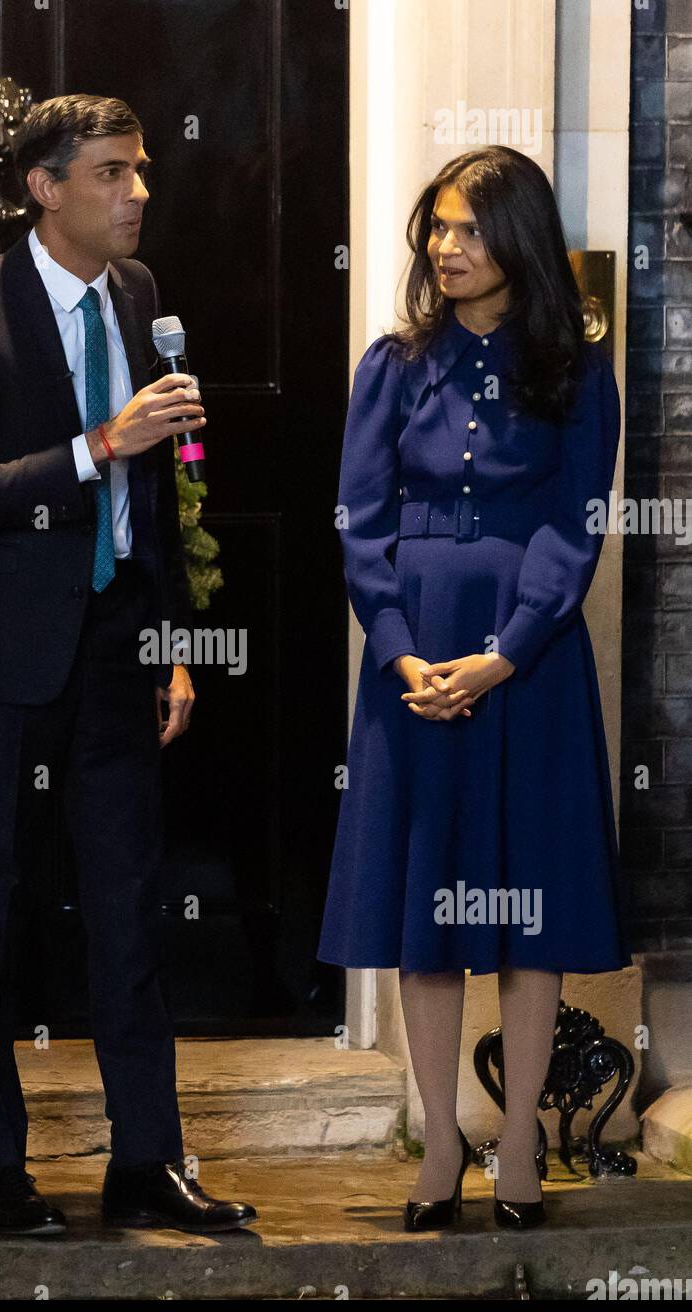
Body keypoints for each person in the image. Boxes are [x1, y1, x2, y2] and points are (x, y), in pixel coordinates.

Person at [0, 92, 255, 1236]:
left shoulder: (142, 299)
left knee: (128, 908)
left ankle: (144, 1161)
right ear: (45, 190)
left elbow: (156, 496)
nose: (137, 193)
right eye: (110, 173)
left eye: (140, 169)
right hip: (4, 660)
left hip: (116, 650)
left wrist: (168, 645)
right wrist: (97, 443)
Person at [318, 145, 630, 1232]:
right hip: (410, 655)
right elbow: (360, 520)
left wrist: (506, 649)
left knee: (524, 901)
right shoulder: (391, 364)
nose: (446, 248)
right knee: (427, 899)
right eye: (435, 229)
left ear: (520, 242)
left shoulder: (576, 370)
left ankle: (517, 1140)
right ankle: (439, 1136)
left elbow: (572, 520)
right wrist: (400, 648)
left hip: (524, 661)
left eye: (468, 229)